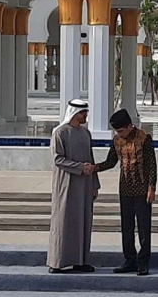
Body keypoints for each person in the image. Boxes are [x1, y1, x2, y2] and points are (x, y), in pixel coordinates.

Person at [94, 109, 157, 276]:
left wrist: (152, 187)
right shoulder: (117, 141)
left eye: (121, 130)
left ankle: (143, 262)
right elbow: (111, 162)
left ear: (130, 126)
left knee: (144, 227)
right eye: (117, 131)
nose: (119, 134)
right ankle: (130, 260)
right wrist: (94, 168)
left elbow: (152, 165)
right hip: (125, 189)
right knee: (126, 226)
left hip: (142, 189)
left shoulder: (144, 138)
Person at [47, 99, 100, 274]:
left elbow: (91, 159)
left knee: (83, 222)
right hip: (66, 184)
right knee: (64, 221)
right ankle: (58, 262)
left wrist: (94, 184)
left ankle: (81, 261)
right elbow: (58, 159)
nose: (85, 116)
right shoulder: (60, 133)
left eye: (86, 113)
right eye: (83, 113)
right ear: (74, 113)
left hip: (85, 185)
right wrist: (80, 168)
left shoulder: (86, 133)